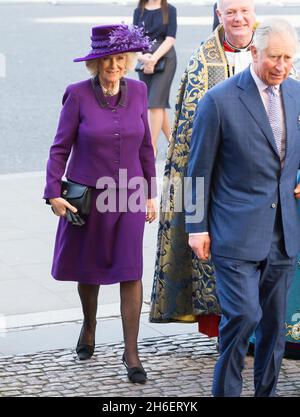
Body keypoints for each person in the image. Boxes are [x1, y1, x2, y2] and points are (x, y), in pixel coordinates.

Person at [187, 18, 300, 397]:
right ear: (254, 52)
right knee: (244, 316)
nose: (282, 66)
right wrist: (195, 227)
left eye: (288, 58)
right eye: (274, 57)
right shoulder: (218, 101)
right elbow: (196, 171)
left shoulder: (298, 94)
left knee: (274, 327)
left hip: (283, 235)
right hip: (233, 235)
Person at [43, 24, 157, 384]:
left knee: (130, 269)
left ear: (128, 60)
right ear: (95, 63)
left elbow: (146, 149)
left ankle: (131, 352)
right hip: (89, 198)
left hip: (130, 195)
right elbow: (60, 147)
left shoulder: (139, 91)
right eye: (107, 59)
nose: (114, 65)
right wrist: (52, 192)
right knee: (89, 269)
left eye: (120, 58)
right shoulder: (76, 95)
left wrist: (152, 194)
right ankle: (89, 326)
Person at [150, 0, 256, 336]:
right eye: (230, 12)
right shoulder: (201, 60)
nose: (238, 18)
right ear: (218, 16)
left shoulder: (274, 51)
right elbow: (189, 132)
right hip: (221, 178)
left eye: (244, 10)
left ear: (254, 13)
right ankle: (227, 331)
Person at [133, 0, 177, 156]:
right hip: (144, 59)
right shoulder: (139, 10)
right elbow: (135, 40)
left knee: (155, 103)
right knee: (155, 103)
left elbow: (170, 39)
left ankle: (151, 148)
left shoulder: (170, 10)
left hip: (165, 58)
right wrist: (142, 58)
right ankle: (175, 143)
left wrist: (154, 59)